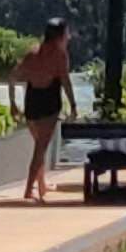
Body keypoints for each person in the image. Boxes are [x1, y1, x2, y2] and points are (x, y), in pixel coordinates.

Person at [19, 20, 73, 202]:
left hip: (31, 102)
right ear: (60, 36)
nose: (69, 37)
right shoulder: (60, 54)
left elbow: (13, 77)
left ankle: (41, 184)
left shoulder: (33, 51)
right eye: (67, 34)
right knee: (40, 149)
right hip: (49, 103)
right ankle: (29, 189)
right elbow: (65, 81)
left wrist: (12, 102)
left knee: (39, 146)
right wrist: (73, 105)